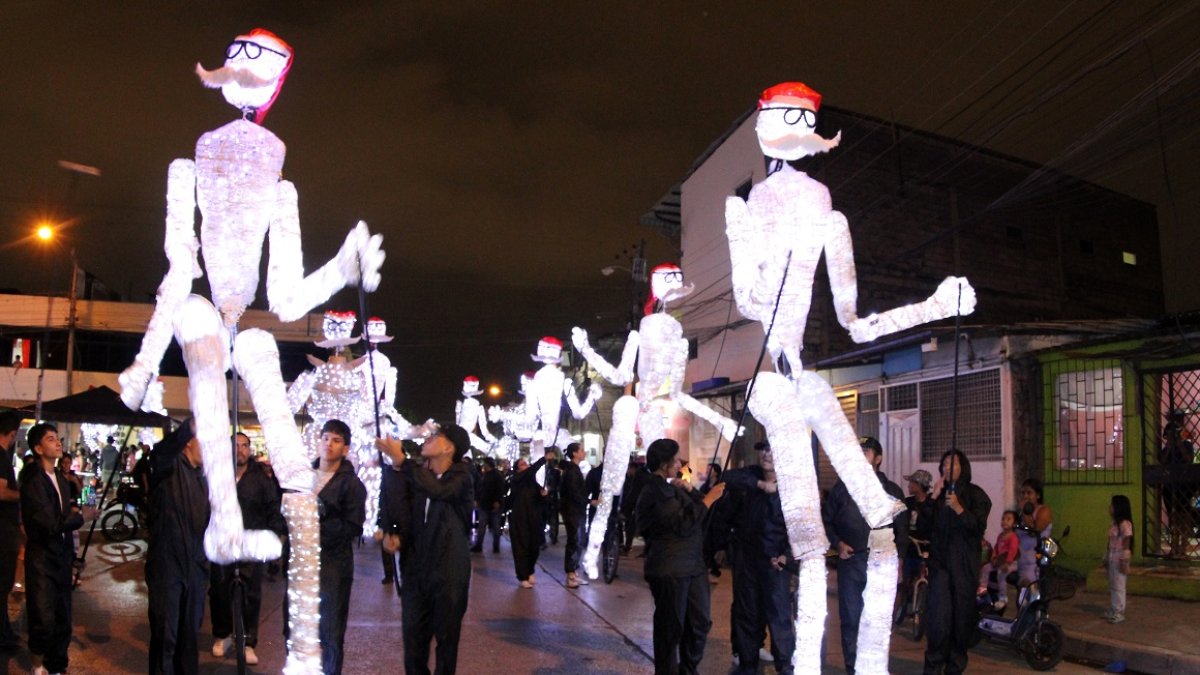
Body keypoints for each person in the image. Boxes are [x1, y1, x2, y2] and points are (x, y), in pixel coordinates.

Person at [377, 423, 475, 675]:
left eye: (436, 436)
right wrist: (395, 535)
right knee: (413, 644)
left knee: (446, 642)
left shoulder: (461, 475)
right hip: (416, 572)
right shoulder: (419, 476)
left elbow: (440, 490)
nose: (428, 439)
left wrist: (402, 459)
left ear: (449, 448)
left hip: (449, 573)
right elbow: (405, 513)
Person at [636, 438, 725, 675]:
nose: (680, 463)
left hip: (693, 565)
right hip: (670, 569)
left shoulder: (671, 486)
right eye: (675, 460)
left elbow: (698, 513)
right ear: (665, 464)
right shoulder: (654, 490)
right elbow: (682, 523)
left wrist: (692, 490)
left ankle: (689, 669)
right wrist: (708, 498)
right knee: (670, 627)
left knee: (700, 622)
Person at [822, 436, 907, 675]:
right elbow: (826, 521)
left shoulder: (892, 491)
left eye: (867, 452)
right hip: (852, 563)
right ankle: (853, 668)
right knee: (850, 619)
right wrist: (838, 543)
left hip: (881, 565)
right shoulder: (843, 488)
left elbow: (901, 532)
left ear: (878, 459)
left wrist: (898, 563)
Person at [209, 432, 287, 666]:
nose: (240, 450)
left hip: (251, 544)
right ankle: (223, 634)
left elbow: (273, 508)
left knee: (250, 595)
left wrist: (277, 535)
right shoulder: (218, 474)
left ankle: (248, 641)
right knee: (219, 592)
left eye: (244, 446)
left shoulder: (261, 479)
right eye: (236, 446)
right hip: (222, 544)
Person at [720, 441, 794, 674]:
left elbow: (803, 525)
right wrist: (760, 484)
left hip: (775, 562)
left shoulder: (793, 484)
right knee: (747, 612)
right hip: (747, 558)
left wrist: (787, 556)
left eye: (772, 449)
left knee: (779, 616)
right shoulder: (751, 476)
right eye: (763, 449)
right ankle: (747, 662)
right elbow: (727, 477)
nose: (766, 455)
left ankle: (784, 665)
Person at [146, 419, 210, 675]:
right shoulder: (169, 467)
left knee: (189, 636)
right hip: (168, 566)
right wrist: (193, 423)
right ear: (188, 443)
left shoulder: (202, 477)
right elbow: (161, 451)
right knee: (166, 635)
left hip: (195, 566)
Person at [20, 423, 85, 675]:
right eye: (50, 439)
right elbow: (50, 522)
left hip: (61, 556)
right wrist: (82, 517)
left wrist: (72, 556)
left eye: (57, 438)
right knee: (43, 618)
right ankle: (37, 665)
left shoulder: (60, 477)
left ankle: (57, 666)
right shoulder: (33, 479)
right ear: (38, 448)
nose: (57, 443)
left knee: (62, 618)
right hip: (41, 559)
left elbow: (65, 516)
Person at [923, 449, 991, 675]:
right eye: (944, 464)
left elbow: (977, 528)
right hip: (940, 567)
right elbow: (923, 526)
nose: (947, 468)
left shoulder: (976, 495)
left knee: (960, 621)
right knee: (938, 621)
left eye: (953, 464)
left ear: (964, 467)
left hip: (963, 570)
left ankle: (954, 668)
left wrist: (959, 509)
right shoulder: (939, 496)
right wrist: (934, 497)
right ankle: (933, 667)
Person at [313, 419, 367, 675]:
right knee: (297, 627)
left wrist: (314, 530)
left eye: (336, 441)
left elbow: (353, 526)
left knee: (331, 630)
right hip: (301, 563)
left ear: (345, 448)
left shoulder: (352, 484)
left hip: (333, 564)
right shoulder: (303, 477)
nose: (329, 445)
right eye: (325, 438)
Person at [0, 412, 24, 650]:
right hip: (3, 531)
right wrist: (24, 495)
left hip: (5, 529)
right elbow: (1, 492)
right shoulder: (0, 456)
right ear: (12, 434)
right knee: (3, 583)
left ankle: (5, 630)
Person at [508, 455, 548, 587]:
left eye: (526, 464)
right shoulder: (517, 479)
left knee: (534, 546)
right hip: (520, 518)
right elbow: (529, 472)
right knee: (521, 547)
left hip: (534, 518)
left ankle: (530, 570)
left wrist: (543, 495)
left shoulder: (533, 483)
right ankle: (522, 576)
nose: (526, 466)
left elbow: (540, 500)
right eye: (522, 464)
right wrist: (543, 459)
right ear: (517, 469)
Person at [900, 469, 935, 594]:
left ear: (919, 486)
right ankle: (896, 612)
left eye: (912, 482)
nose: (909, 485)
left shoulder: (933, 506)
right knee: (900, 584)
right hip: (908, 551)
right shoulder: (907, 503)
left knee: (925, 582)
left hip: (925, 552)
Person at [560, 442, 590, 588]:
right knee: (574, 541)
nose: (584, 452)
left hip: (574, 510)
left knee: (576, 541)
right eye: (582, 450)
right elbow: (574, 493)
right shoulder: (572, 471)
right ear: (574, 453)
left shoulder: (573, 469)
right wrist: (589, 500)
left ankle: (573, 572)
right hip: (573, 511)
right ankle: (570, 574)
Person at [977, 510, 1020, 611]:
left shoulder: (1013, 537)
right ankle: (983, 589)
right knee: (986, 568)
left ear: (1014, 523)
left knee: (1001, 573)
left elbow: (1012, 551)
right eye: (1003, 519)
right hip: (1000, 561)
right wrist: (993, 557)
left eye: (1008, 519)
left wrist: (1007, 563)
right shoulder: (1001, 536)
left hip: (1011, 563)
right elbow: (996, 548)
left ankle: (1003, 597)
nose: (1005, 521)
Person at [1016, 478, 1053, 588]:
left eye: (1029, 493)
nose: (1025, 496)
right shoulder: (1020, 514)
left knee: (1030, 590)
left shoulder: (1044, 510)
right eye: (1023, 493)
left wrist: (1025, 512)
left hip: (1036, 560)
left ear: (1038, 495)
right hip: (1022, 559)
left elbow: (1034, 530)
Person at [1103, 494, 1134, 624]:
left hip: (1119, 559)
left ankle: (1119, 611)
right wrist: (1106, 557)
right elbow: (1110, 541)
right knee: (1113, 585)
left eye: (1112, 505)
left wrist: (1125, 558)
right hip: (1112, 558)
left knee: (1119, 586)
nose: (1110, 508)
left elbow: (1127, 539)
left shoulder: (1125, 524)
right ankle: (1114, 608)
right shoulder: (1114, 524)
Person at [473, 457, 506, 554]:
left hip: (493, 505)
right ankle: (479, 545)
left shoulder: (496, 475)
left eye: (485, 464)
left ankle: (495, 546)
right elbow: (481, 489)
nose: (483, 465)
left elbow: (500, 489)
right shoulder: (485, 475)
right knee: (482, 526)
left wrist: (497, 501)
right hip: (484, 504)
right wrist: (478, 499)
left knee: (495, 527)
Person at [543, 448, 562, 546]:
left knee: (553, 518)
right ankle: (544, 538)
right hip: (545, 498)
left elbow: (558, 485)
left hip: (553, 498)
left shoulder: (556, 472)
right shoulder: (543, 471)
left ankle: (553, 536)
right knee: (545, 518)